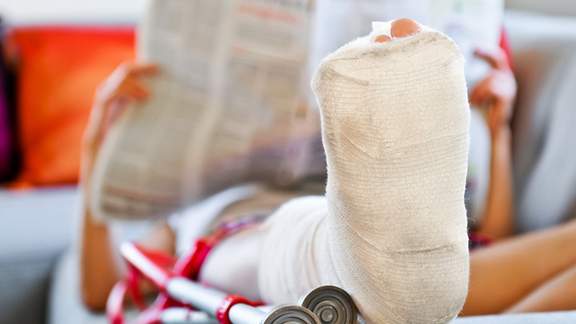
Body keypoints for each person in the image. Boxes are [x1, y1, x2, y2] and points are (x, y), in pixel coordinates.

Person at [79, 18, 576, 323]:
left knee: (434, 265)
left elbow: (494, 234)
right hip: (252, 232)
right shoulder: (185, 210)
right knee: (256, 240)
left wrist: (497, 129)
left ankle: (375, 264)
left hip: (437, 257)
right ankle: (341, 254)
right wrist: (94, 157)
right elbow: (101, 291)